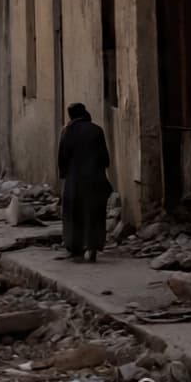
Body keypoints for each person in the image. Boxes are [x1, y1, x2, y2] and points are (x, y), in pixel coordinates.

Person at [57, 101, 113, 263]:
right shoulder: (96, 130)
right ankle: (92, 247)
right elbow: (105, 159)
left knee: (74, 214)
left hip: (74, 182)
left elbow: (62, 159)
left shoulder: (67, 131)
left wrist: (65, 176)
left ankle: (75, 248)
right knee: (94, 214)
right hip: (95, 180)